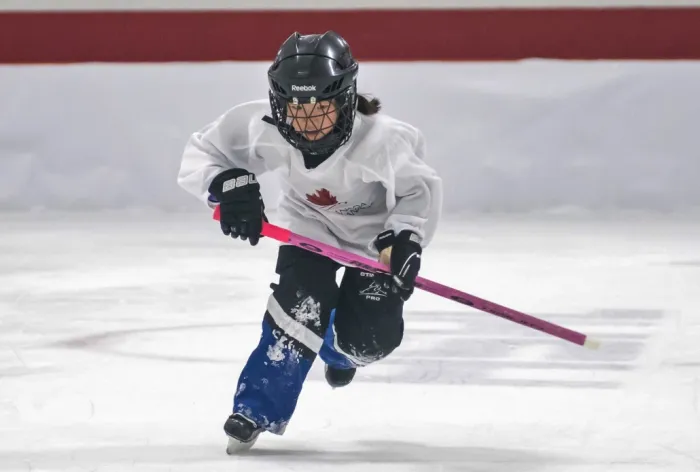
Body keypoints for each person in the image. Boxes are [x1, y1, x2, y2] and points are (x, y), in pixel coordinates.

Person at [177, 30, 443, 454]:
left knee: (368, 342)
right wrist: (227, 184)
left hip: (374, 242)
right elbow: (202, 153)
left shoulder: (384, 140)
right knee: (300, 306)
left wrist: (406, 237)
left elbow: (417, 190)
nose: (306, 119)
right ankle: (256, 407)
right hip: (309, 227)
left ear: (346, 97)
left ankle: (339, 353)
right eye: (295, 106)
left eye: (320, 106)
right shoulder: (259, 124)